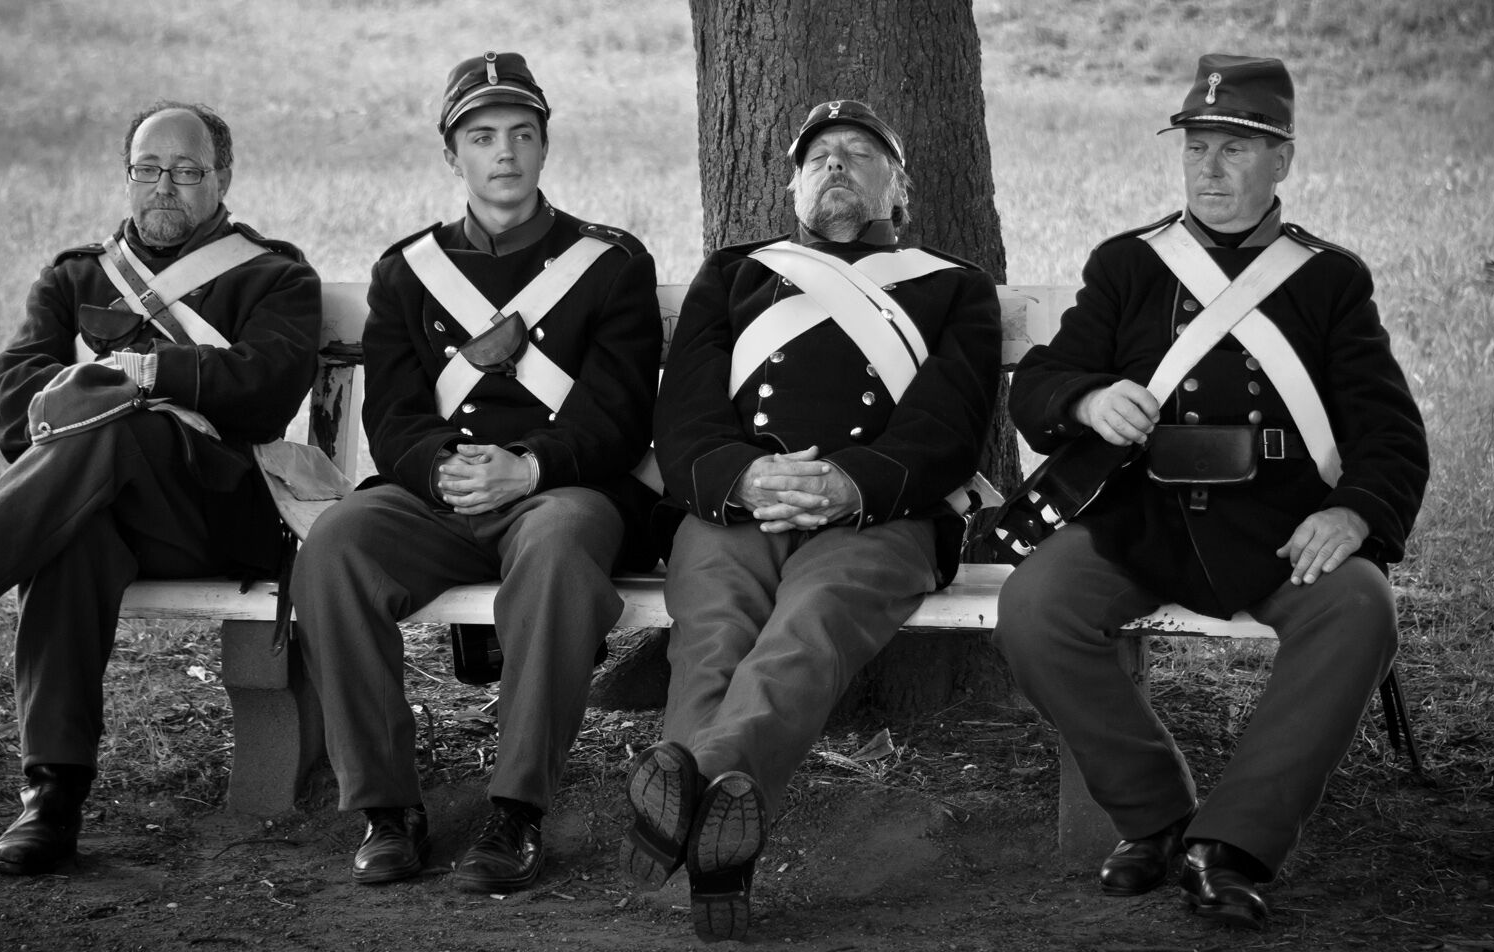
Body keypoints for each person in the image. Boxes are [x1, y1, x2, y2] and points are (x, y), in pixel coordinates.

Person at [0, 101, 322, 876]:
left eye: (186, 170)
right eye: (148, 169)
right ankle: (51, 800)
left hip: (218, 515)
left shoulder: (274, 275)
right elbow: (13, 406)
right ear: (127, 176)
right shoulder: (76, 276)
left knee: (119, 432)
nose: (165, 186)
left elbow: (266, 389)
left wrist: (143, 376)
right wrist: (113, 394)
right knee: (73, 536)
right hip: (105, 511)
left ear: (223, 178)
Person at [998, 55, 1430, 929]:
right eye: (1197, 147)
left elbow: (1390, 433)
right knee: (1036, 607)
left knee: (1360, 610)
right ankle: (1158, 819)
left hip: (1276, 522)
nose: (1210, 169)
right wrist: (1087, 400)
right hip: (1145, 517)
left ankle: (1232, 845)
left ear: (1283, 160)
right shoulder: (1129, 264)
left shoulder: (1329, 280)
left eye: (1236, 148)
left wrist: (1353, 512)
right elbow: (1039, 384)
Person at [625, 100, 1003, 941]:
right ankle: (719, 837)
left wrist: (847, 484)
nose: (836, 164)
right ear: (794, 186)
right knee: (712, 633)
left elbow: (948, 429)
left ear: (898, 188)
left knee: (810, 627)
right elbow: (684, 416)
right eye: (819, 155)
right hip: (740, 500)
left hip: (881, 512)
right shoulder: (736, 274)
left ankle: (686, 790)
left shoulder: (953, 286)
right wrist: (745, 477)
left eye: (859, 154)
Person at [287, 51, 661, 895]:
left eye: (523, 134)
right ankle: (387, 809)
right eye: (484, 136)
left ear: (544, 147)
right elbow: (394, 417)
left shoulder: (609, 265)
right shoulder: (406, 271)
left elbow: (618, 417)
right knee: (336, 547)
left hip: (562, 493)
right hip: (443, 493)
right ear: (452, 154)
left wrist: (528, 468)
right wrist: (445, 470)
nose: (506, 153)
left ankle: (516, 812)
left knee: (559, 549)